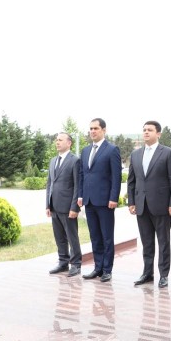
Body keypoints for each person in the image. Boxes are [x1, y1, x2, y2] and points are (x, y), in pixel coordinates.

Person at [128, 121, 171, 288]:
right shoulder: (135, 154)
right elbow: (131, 181)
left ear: (158, 133)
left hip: (162, 206)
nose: (146, 132)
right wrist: (131, 202)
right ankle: (147, 273)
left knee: (163, 242)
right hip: (141, 205)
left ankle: (163, 275)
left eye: (150, 130)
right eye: (144, 130)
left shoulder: (168, 153)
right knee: (146, 242)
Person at [78, 118, 122, 283]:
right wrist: (81, 195)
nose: (92, 131)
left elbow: (116, 177)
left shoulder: (112, 150)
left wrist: (113, 198)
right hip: (89, 201)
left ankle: (107, 270)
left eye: (96, 128)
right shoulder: (85, 151)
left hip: (105, 201)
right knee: (95, 236)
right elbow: (82, 175)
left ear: (104, 130)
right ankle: (98, 268)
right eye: (90, 128)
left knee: (107, 237)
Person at [46, 132, 83, 277]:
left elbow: (77, 186)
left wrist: (75, 207)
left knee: (72, 237)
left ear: (69, 143)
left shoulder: (75, 160)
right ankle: (63, 262)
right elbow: (49, 184)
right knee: (59, 237)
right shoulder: (52, 161)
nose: (57, 142)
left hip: (68, 207)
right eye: (56, 140)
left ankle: (76, 264)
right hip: (54, 206)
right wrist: (48, 205)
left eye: (60, 140)